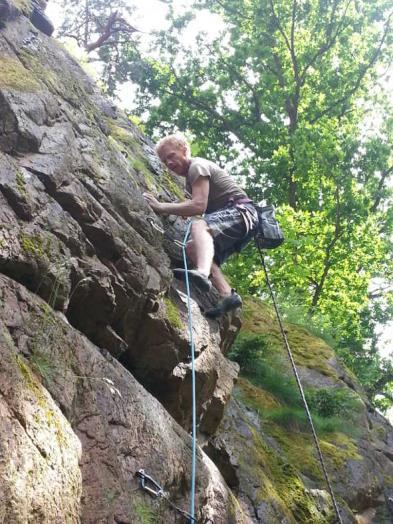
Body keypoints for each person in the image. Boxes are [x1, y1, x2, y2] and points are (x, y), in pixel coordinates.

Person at [143, 135, 258, 319]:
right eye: (165, 161)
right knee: (191, 247)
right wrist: (181, 207)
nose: (169, 162)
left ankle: (202, 273)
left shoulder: (197, 166)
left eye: (171, 155)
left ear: (184, 149)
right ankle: (228, 295)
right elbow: (195, 204)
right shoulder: (190, 179)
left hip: (241, 212)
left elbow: (198, 206)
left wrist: (160, 206)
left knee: (199, 226)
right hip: (241, 220)